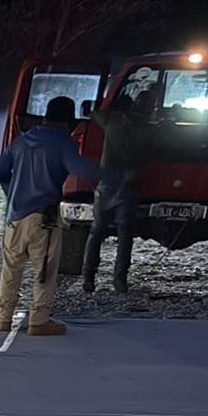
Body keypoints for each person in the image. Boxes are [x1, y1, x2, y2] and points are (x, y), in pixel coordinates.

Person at [0, 96, 99, 335]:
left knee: (10, 270)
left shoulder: (21, 141)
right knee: (44, 271)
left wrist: (14, 186)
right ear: (69, 121)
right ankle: (39, 321)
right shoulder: (62, 142)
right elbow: (80, 169)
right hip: (43, 219)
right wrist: (111, 176)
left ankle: (3, 319)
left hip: (14, 217)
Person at [83, 87, 159, 295]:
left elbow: (92, 110)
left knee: (96, 232)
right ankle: (120, 281)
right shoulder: (149, 130)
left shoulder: (111, 120)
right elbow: (151, 156)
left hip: (106, 183)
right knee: (125, 236)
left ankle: (88, 279)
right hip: (127, 185)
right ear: (151, 109)